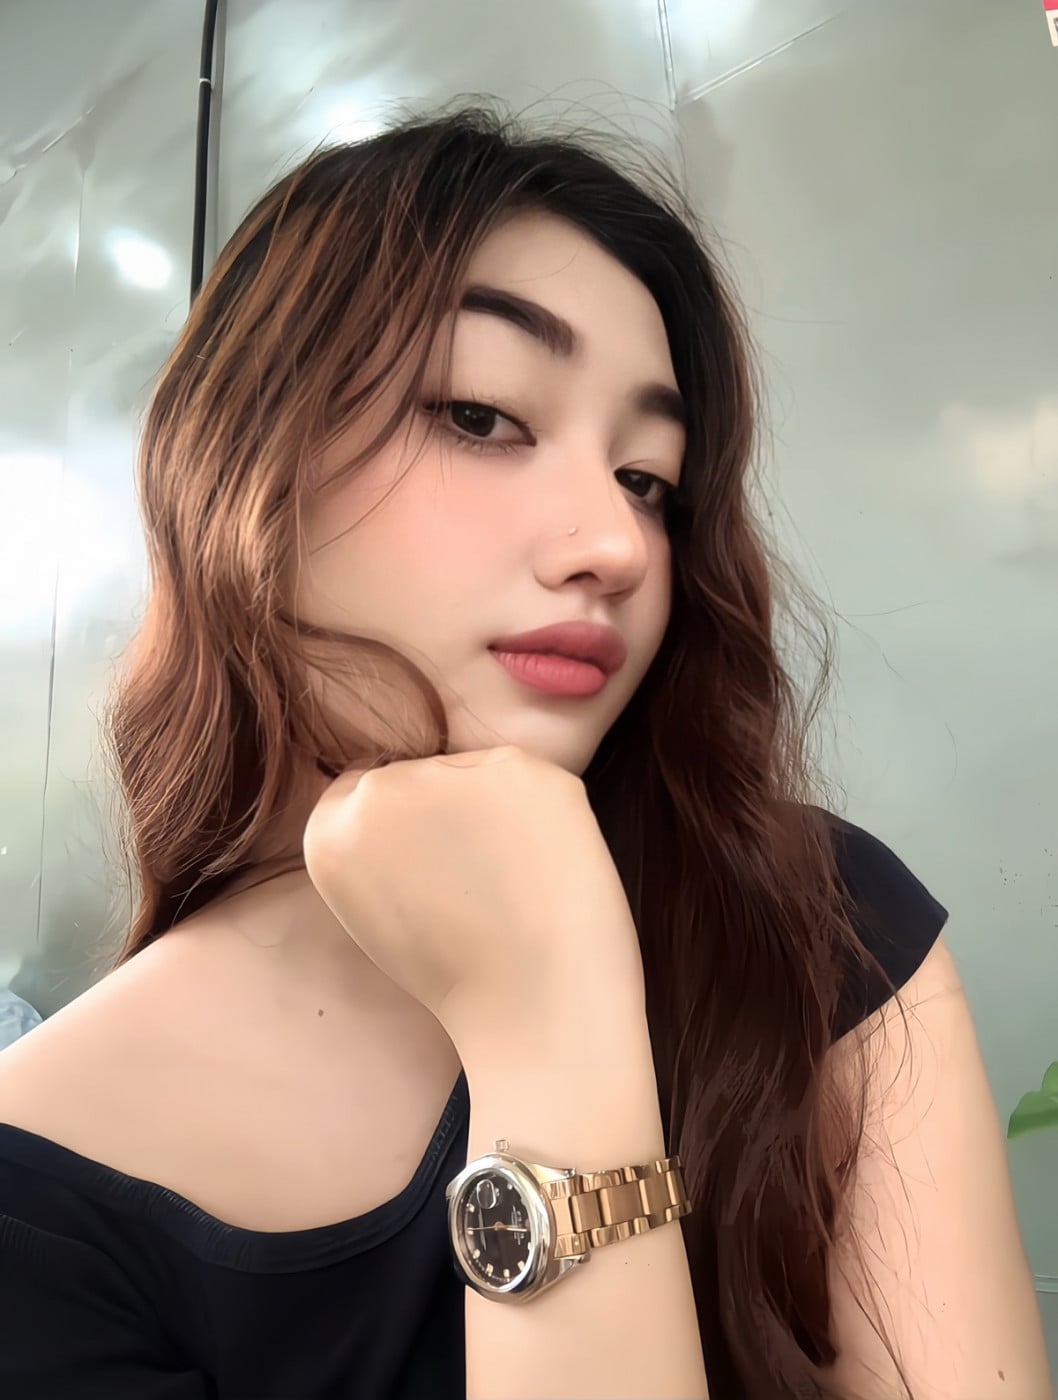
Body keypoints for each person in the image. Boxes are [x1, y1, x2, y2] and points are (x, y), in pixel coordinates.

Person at [0, 104, 1048, 1400]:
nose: (613, 545)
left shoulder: (812, 926)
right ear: (237, 461)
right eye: (483, 415)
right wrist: (547, 1029)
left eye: (648, 479)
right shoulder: (37, 1204)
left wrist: (551, 1013)